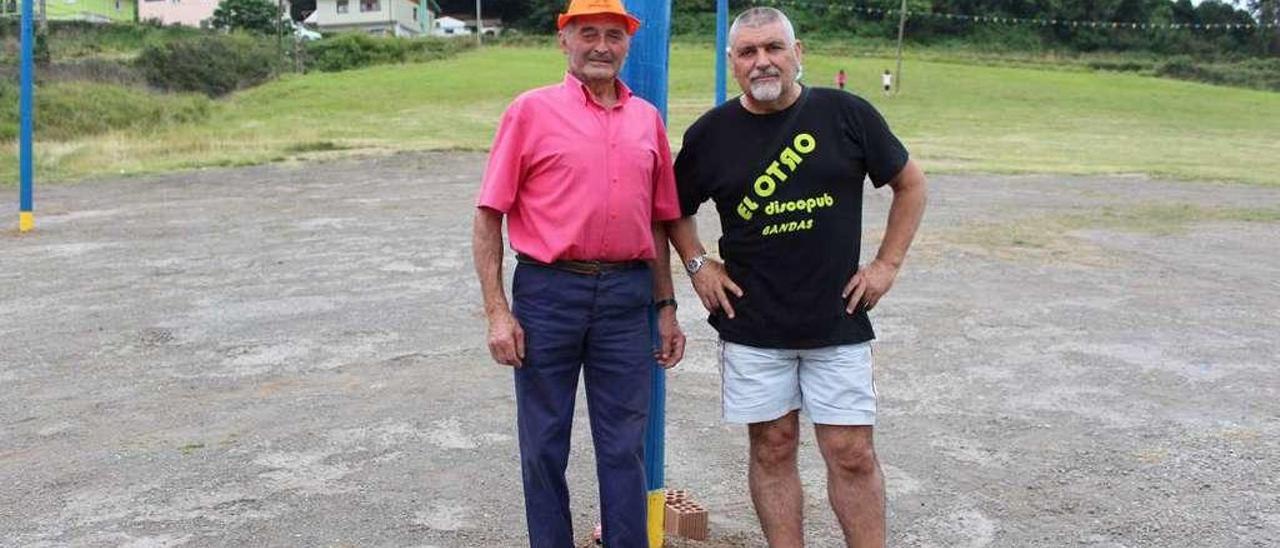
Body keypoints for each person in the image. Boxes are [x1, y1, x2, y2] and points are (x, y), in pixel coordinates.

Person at [666, 7, 927, 547]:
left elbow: (910, 184)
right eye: (748, 52)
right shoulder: (711, 135)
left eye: (773, 48)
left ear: (797, 53)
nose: (762, 61)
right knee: (773, 446)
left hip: (838, 318)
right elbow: (670, 209)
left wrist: (886, 265)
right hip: (753, 323)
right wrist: (696, 264)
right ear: (732, 63)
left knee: (851, 453)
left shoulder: (846, 114)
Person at [470, 0, 686, 545]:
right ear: (563, 40)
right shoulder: (529, 112)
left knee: (623, 446)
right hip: (549, 291)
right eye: (587, 33)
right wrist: (498, 311)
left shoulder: (647, 121)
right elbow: (488, 214)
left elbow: (658, 222)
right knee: (544, 443)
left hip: (627, 295)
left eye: (613, 35)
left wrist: (666, 306)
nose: (601, 46)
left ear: (627, 44)